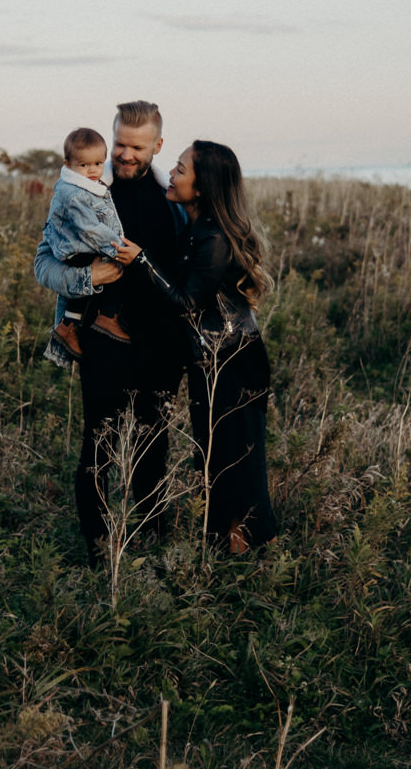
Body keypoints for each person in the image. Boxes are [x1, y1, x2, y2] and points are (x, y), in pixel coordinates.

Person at [31, 100, 188, 565]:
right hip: (103, 339)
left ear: (156, 146)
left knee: (152, 444)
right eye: (120, 143)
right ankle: (100, 551)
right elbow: (43, 263)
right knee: (98, 443)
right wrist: (87, 280)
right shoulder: (84, 195)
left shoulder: (176, 204)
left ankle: (151, 541)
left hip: (161, 346)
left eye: (137, 147)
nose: (125, 154)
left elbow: (187, 280)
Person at [136, 140, 279, 553]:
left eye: (180, 169)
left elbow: (185, 302)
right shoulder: (196, 223)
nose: (172, 173)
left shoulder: (213, 237)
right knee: (215, 456)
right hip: (212, 358)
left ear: (201, 188)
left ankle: (252, 546)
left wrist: (140, 261)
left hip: (232, 359)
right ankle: (228, 545)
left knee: (236, 459)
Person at [38, 126, 133, 364]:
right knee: (109, 275)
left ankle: (76, 323)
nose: (92, 170)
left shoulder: (95, 183)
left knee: (103, 280)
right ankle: (100, 318)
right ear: (68, 164)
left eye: (98, 163)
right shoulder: (75, 194)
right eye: (84, 165)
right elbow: (90, 229)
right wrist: (117, 249)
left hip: (79, 248)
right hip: (76, 250)